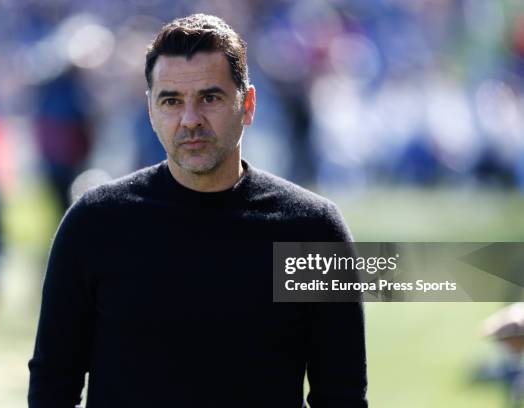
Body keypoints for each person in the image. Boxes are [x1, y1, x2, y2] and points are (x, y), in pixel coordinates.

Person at [28, 14, 367, 408]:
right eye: (171, 101)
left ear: (248, 105)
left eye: (210, 97)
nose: (190, 120)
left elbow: (342, 395)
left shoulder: (313, 229)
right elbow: (53, 384)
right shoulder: (95, 223)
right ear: (151, 110)